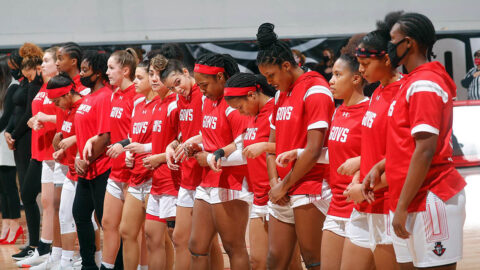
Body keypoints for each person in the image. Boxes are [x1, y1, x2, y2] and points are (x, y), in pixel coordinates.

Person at [364, 12, 467, 269]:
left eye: (392, 39)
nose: (388, 46)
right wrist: (381, 166)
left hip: (431, 196)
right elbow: (407, 144)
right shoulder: (411, 82)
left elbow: (425, 150)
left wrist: (401, 207)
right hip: (410, 197)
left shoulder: (425, 84)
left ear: (408, 43)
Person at [256, 23, 333, 270]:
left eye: (271, 76)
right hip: (283, 188)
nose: (269, 82)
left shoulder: (316, 89)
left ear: (286, 66)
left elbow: (313, 151)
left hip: (311, 185)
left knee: (314, 260)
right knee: (275, 260)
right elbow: (273, 145)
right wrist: (274, 184)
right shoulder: (281, 95)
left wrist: (284, 185)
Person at [223, 72, 300, 270]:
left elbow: (298, 147)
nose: (240, 113)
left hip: (281, 194)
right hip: (259, 195)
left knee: (289, 264)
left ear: (252, 95)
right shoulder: (253, 116)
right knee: (257, 261)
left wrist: (266, 147)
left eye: (240, 107)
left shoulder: (277, 109)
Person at [187, 53, 252, 270]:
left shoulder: (235, 104)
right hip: (207, 181)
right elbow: (211, 136)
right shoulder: (208, 101)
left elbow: (245, 150)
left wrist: (211, 158)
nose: (201, 90)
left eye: (204, 84)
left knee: (234, 247)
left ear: (221, 77)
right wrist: (194, 144)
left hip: (231, 181)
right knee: (196, 246)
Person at [159, 55, 224, 270]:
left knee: (209, 240)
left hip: (207, 172)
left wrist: (191, 142)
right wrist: (171, 147)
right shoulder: (180, 100)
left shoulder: (205, 95)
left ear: (186, 73)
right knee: (180, 237)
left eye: (178, 83)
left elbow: (211, 133)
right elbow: (181, 134)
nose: (177, 90)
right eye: (172, 88)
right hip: (188, 174)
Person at [108, 60, 156, 270]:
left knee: (157, 238)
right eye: (135, 77)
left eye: (140, 77)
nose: (135, 81)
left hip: (156, 177)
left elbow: (168, 140)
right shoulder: (137, 103)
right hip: (135, 176)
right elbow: (132, 135)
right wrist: (128, 150)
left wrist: (144, 150)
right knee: (126, 231)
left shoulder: (166, 104)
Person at [10, 43, 52, 267]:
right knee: (34, 197)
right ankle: (39, 247)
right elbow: (29, 113)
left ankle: (45, 248)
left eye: (46, 62)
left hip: (48, 153)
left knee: (42, 200)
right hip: (36, 148)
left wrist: (15, 133)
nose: (42, 66)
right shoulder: (38, 86)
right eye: (42, 62)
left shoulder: (50, 87)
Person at [140, 54, 180, 269]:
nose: (154, 79)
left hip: (174, 183)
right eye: (151, 74)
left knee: (179, 241)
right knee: (151, 237)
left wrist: (160, 158)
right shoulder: (157, 104)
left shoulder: (176, 104)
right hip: (157, 182)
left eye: (159, 74)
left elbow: (183, 142)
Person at [73, 51, 112, 270]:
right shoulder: (87, 96)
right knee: (79, 212)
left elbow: (105, 135)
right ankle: (89, 264)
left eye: (85, 70)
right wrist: (79, 155)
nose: (81, 74)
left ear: (98, 73)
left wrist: (86, 159)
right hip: (85, 166)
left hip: (101, 167)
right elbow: (84, 134)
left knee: (105, 220)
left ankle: (115, 263)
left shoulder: (105, 96)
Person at [101, 48, 138, 270]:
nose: (107, 72)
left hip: (133, 171)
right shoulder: (114, 94)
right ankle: (106, 266)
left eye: (111, 68)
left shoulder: (137, 96)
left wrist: (124, 147)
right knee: (107, 223)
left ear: (125, 70)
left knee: (134, 231)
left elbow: (142, 133)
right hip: (115, 170)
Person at [0, 56, 20, 246]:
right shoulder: (2, 88)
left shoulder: (13, 87)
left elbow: (6, 119)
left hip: (6, 142)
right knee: (1, 190)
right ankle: (5, 224)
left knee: (9, 188)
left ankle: (15, 225)